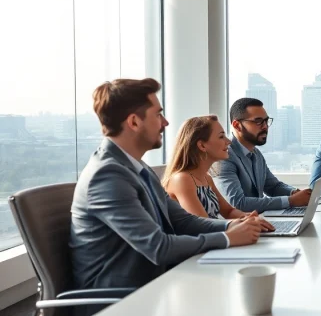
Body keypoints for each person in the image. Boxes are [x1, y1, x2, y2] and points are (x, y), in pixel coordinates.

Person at [70, 79, 264, 297]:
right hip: (119, 302)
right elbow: (158, 247)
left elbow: (183, 220)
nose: (166, 122)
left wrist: (235, 225)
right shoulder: (107, 176)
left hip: (153, 285)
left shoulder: (137, 167)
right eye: (158, 115)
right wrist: (228, 237)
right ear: (134, 122)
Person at [162, 115, 274, 233]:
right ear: (202, 145)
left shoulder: (206, 178)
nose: (228, 141)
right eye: (221, 136)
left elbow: (228, 211)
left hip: (213, 241)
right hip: (195, 248)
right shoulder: (182, 179)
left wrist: (247, 217)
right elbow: (202, 224)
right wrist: (241, 223)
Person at [212, 98, 312, 213]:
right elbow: (237, 203)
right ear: (237, 125)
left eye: (266, 121)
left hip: (257, 221)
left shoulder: (255, 153)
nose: (265, 126)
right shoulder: (224, 157)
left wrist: (295, 193)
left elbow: (273, 186)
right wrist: (291, 200)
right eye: (258, 121)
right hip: (238, 226)